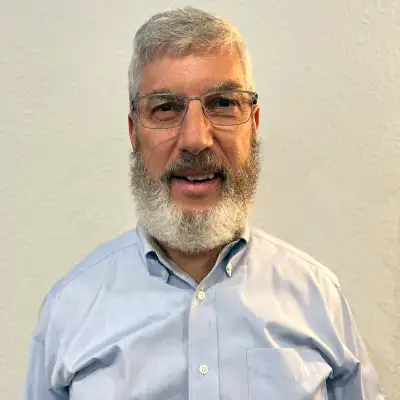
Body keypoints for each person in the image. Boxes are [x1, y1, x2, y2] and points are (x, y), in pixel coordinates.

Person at [23, 6, 384, 400]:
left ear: (254, 124)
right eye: (165, 108)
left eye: (223, 103)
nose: (196, 138)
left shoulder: (319, 299)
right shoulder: (70, 310)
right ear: (134, 132)